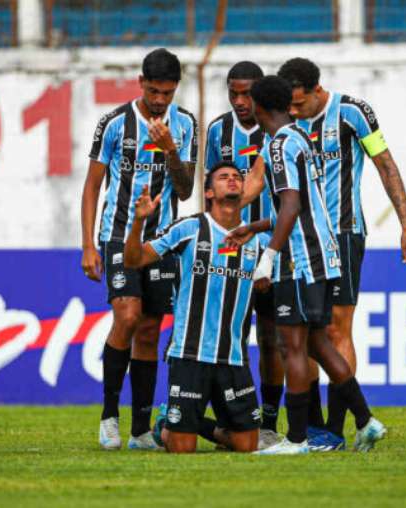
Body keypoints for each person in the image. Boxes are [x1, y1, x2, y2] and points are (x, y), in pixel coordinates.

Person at [233, 75, 385, 454]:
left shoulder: (281, 144)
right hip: (321, 254)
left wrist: (268, 256)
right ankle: (366, 421)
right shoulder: (300, 137)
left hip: (299, 259)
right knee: (317, 341)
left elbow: (292, 205)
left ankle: (298, 439)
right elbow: (305, 204)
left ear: (259, 107)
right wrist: (255, 225)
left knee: (293, 347)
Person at [277, 58, 406, 448]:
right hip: (296, 239)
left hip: (342, 234)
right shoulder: (283, 123)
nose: (293, 111)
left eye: (299, 104)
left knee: (337, 329)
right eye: (288, 105)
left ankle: (337, 429)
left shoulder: (353, 113)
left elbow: (385, 165)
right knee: (303, 334)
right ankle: (312, 427)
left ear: (317, 90)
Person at [80, 48, 197, 450]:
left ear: (175, 88)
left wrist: (170, 149)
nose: (160, 100)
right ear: (140, 82)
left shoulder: (185, 124)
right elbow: (93, 184)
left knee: (149, 330)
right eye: (153, 91)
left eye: (167, 92)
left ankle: (140, 431)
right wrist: (87, 245)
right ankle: (109, 415)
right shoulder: (114, 123)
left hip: (162, 240)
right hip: (118, 234)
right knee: (127, 317)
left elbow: (185, 189)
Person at [123, 162, 267, 453]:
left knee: (247, 445)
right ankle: (169, 425)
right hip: (189, 353)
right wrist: (138, 221)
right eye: (224, 177)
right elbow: (133, 260)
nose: (232, 181)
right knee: (181, 449)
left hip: (233, 356)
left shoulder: (258, 239)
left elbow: (294, 216)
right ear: (209, 192)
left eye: (237, 177)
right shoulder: (190, 228)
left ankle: (193, 423)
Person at [204, 61, 283, 450]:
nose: (240, 101)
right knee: (232, 337)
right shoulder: (218, 130)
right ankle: (236, 419)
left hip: (270, 248)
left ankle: (267, 421)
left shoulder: (278, 132)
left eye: (247, 93)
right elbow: (209, 193)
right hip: (228, 252)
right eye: (233, 93)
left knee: (272, 339)